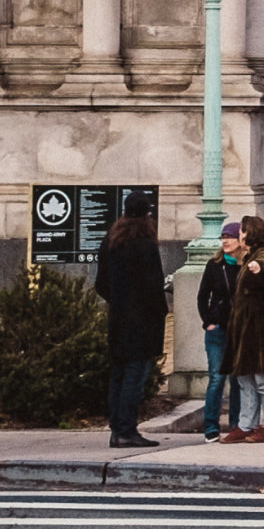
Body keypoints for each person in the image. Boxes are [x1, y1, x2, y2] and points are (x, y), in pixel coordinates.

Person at [94, 191, 167, 448]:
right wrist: (159, 312)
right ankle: (127, 429)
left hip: (118, 320)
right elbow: (154, 285)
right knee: (134, 378)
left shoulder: (111, 242)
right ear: (147, 215)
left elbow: (100, 284)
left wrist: (119, 301)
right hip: (142, 323)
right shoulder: (145, 245)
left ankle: (116, 429)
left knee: (118, 376)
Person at [219, 215, 264, 444]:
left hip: (262, 327)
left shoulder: (263, 255)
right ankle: (246, 424)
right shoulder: (248, 256)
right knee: (245, 377)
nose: (239, 235)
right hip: (245, 328)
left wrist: (257, 268)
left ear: (251, 233)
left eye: (242, 231)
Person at [196, 222, 243, 443]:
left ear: (240, 240)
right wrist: (208, 322)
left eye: (230, 237)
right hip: (217, 329)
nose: (225, 241)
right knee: (216, 377)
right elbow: (202, 296)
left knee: (237, 379)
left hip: (239, 330)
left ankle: (236, 425)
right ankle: (211, 426)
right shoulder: (215, 265)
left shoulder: (247, 265)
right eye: (222, 237)